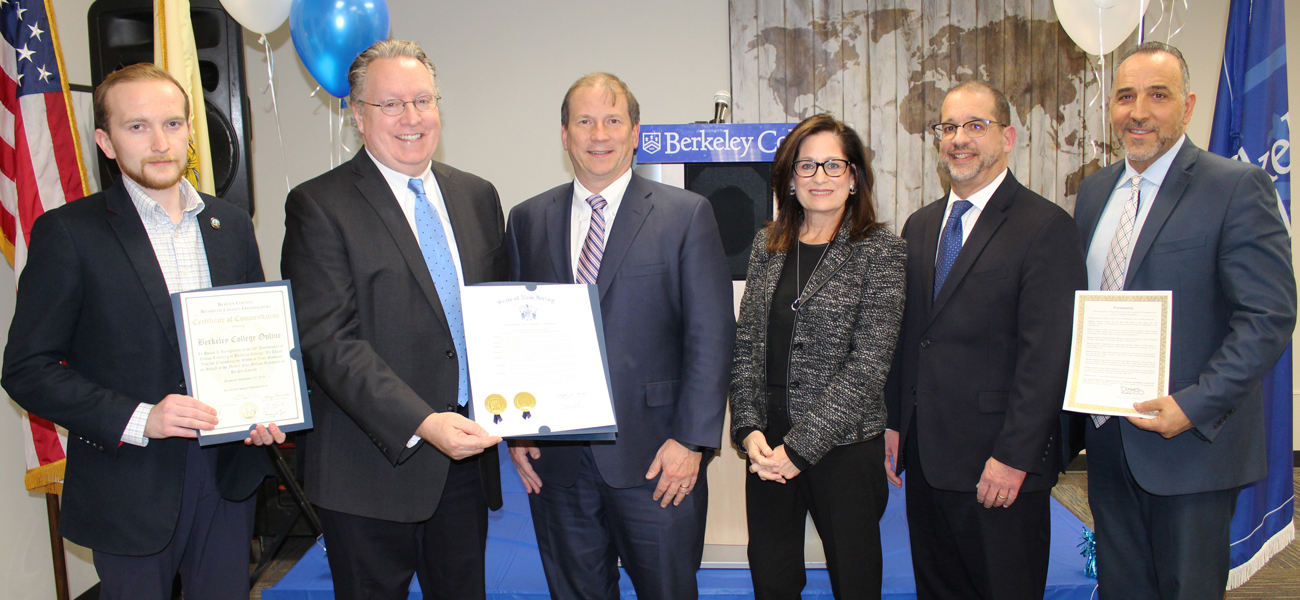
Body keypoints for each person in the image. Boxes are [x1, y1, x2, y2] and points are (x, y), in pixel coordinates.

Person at [2, 63, 282, 600]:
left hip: (227, 474)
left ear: (190, 131)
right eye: (137, 127)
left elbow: (256, 341)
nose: (159, 142)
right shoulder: (69, 233)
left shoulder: (231, 225)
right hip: (129, 483)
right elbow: (26, 369)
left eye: (173, 124)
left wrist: (265, 406)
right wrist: (140, 418)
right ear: (106, 141)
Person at [280, 39, 507, 600]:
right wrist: (423, 421)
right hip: (369, 469)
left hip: (463, 463)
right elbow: (328, 342)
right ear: (357, 116)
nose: (412, 117)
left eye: (423, 100)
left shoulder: (478, 196)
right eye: (391, 104)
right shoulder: (318, 205)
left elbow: (495, 318)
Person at [1074, 42, 1296, 598]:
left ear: (1189, 105)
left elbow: (1268, 316)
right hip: (1107, 444)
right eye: (1125, 97)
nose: (1138, 111)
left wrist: (1191, 406)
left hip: (1189, 448)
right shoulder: (1097, 190)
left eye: (1158, 95)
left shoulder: (1236, 186)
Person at [505, 72, 735, 600]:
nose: (599, 134)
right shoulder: (527, 219)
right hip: (556, 462)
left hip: (658, 458)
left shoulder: (686, 214)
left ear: (636, 133)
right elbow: (516, 333)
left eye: (613, 120)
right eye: (584, 121)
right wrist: (515, 428)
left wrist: (692, 440)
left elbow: (712, 335)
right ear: (564, 135)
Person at [883, 81, 1088, 599]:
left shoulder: (1046, 228)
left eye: (976, 126)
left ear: (1008, 137)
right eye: (948, 127)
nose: (959, 139)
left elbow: (1047, 357)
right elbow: (913, 338)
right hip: (928, 461)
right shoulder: (922, 226)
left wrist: (1014, 457)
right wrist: (894, 423)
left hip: (998, 467)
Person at [728, 114, 905, 599]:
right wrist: (748, 431)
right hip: (767, 448)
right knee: (773, 579)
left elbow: (869, 365)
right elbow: (746, 347)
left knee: (855, 582)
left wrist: (799, 451)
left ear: (853, 177)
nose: (819, 177)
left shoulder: (881, 251)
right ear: (788, 180)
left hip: (844, 451)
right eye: (806, 166)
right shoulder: (768, 246)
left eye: (833, 165)